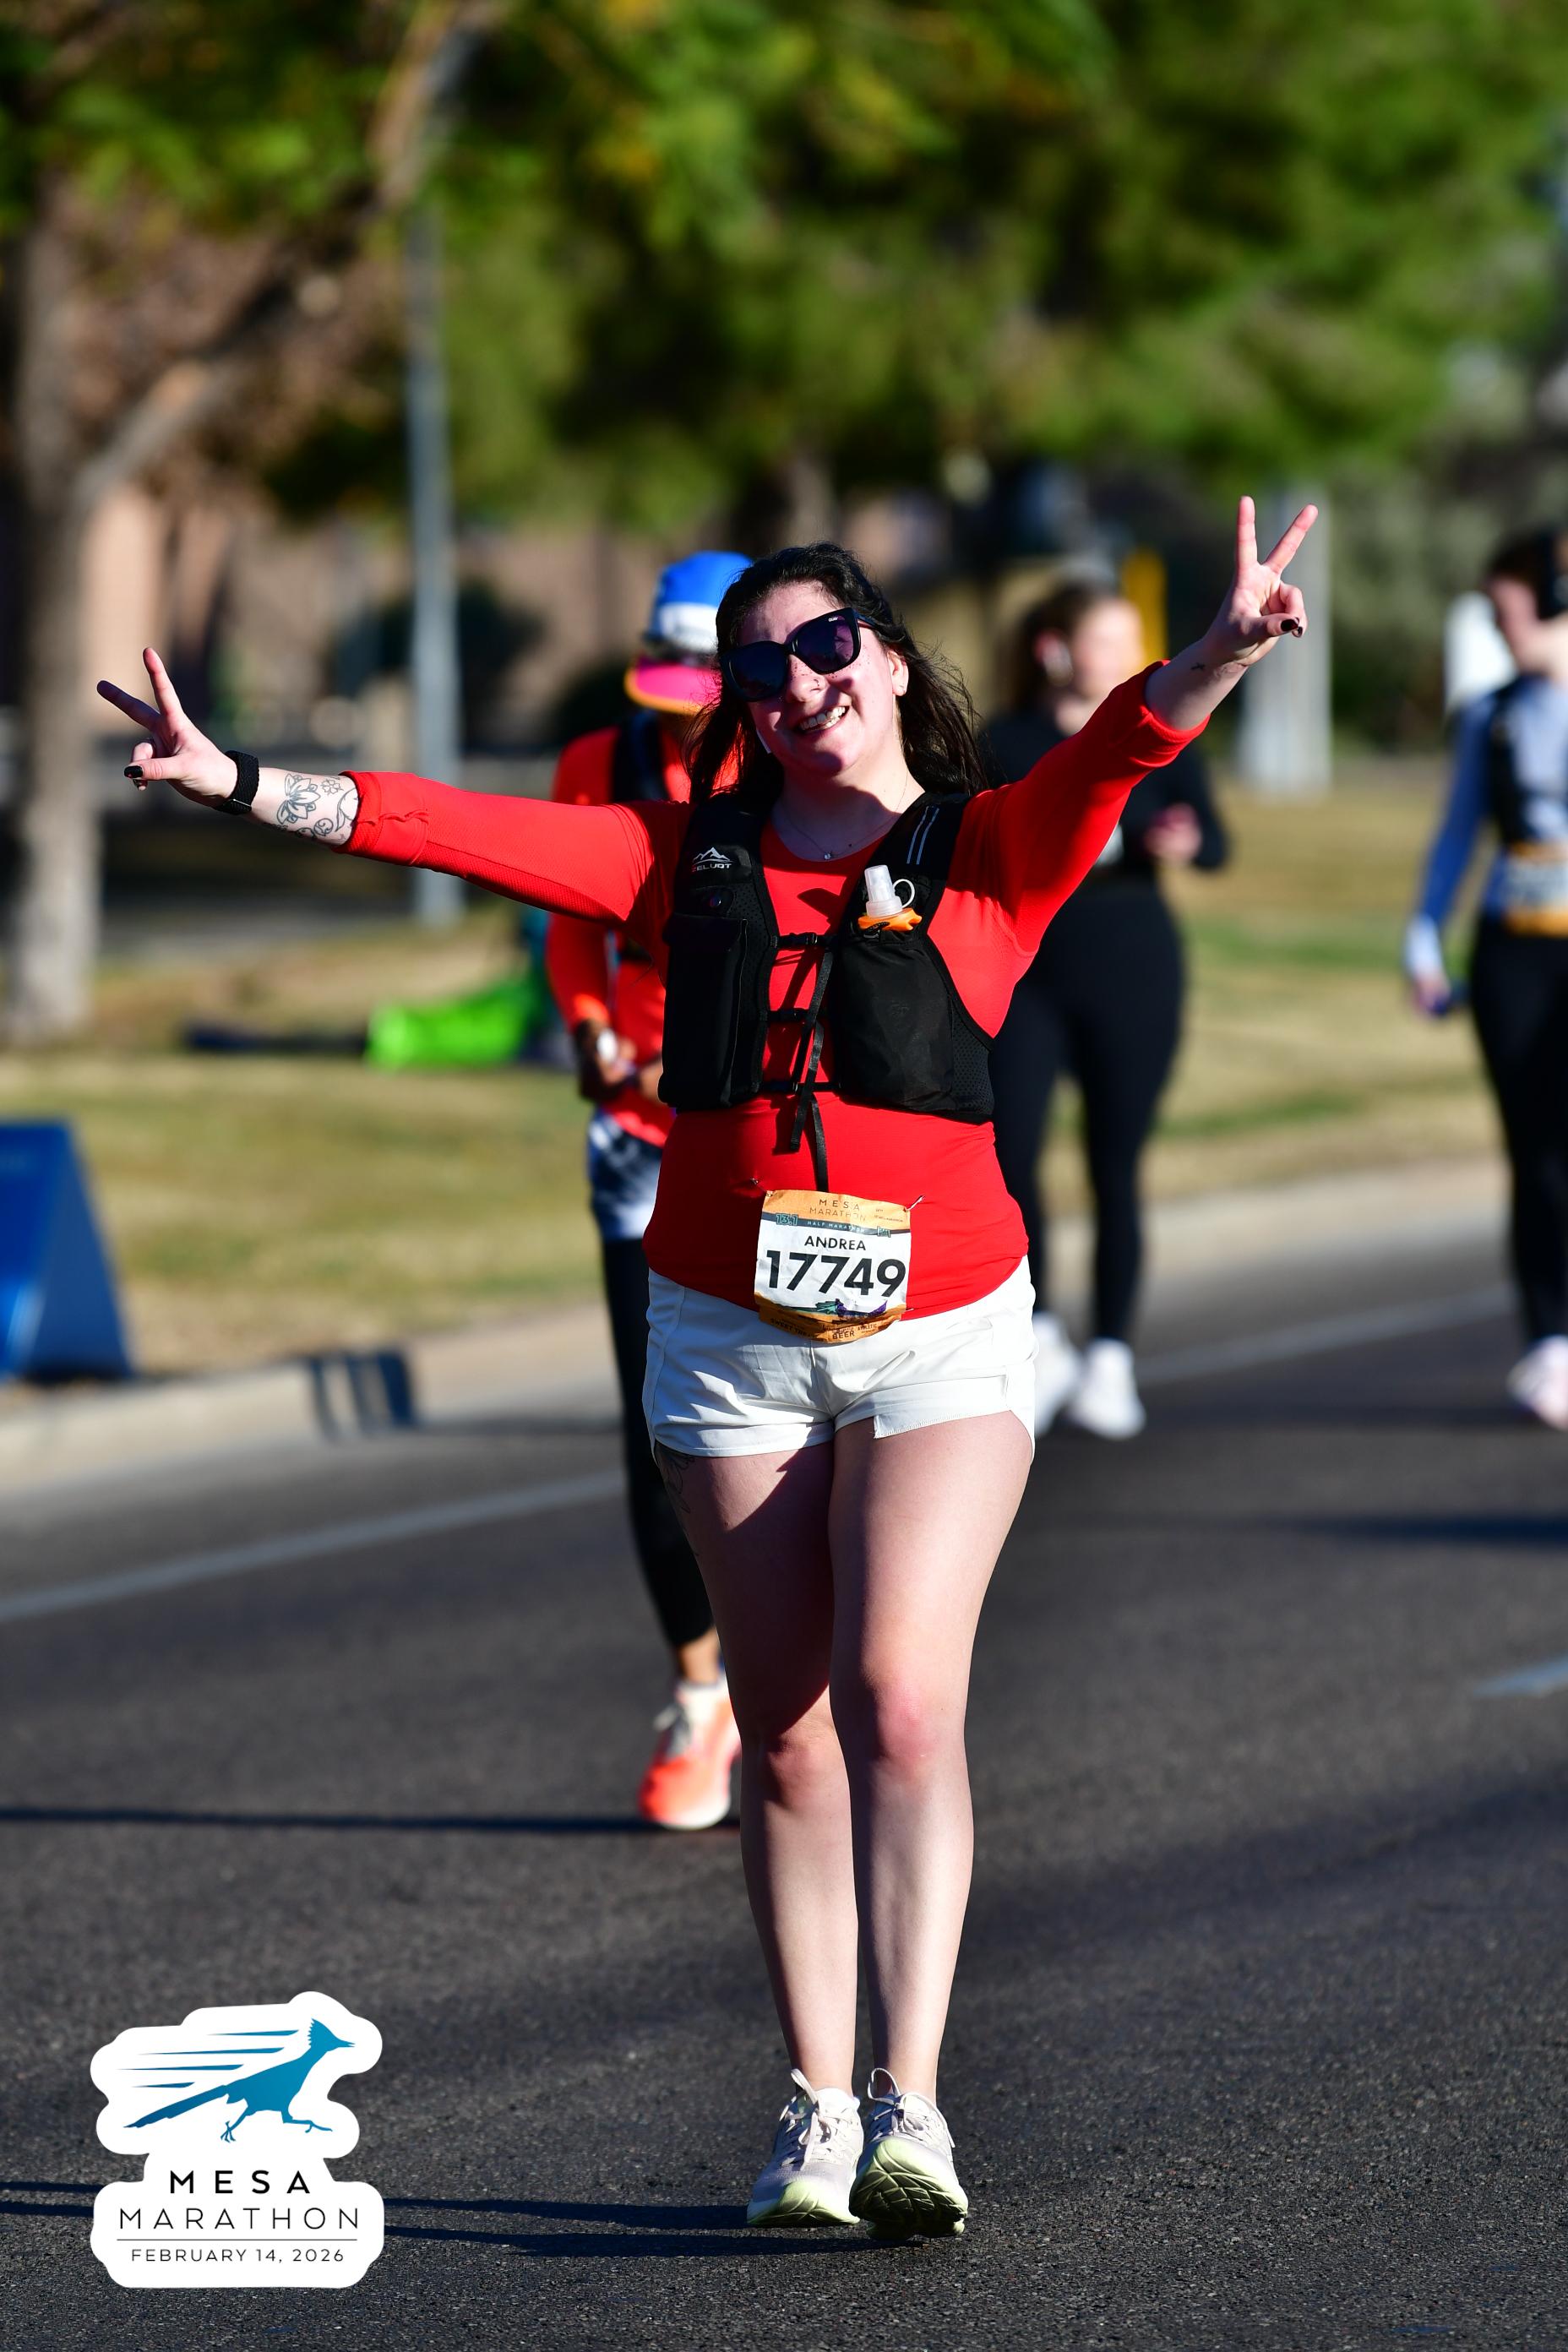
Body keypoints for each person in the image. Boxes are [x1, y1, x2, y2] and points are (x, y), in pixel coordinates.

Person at [100, 493, 1314, 2241]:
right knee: (790, 1734)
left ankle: (911, 2102)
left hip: (941, 1334)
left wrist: (1218, 648)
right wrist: (237, 784)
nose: (801, 683)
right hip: (731, 1341)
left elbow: (1121, 748)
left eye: (827, 644)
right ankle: (814, 2104)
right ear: (734, 701)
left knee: (902, 1699)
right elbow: (455, 830)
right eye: (762, 668)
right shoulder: (685, 858)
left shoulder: (987, 848)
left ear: (884, 655)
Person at [545, 551, 749, 1831]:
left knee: (798, 1416)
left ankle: (807, 1679)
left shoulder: (795, 765)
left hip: (766, 1132)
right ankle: (698, 1691)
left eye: (702, 701)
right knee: (658, 1428)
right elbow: (567, 916)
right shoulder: (599, 761)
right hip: (636, 1131)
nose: (682, 724)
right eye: (668, 698)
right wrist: (582, 1021)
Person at [982, 581, 1230, 1440]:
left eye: (1134, 639)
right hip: (1028, 972)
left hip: (1132, 965)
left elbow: (1215, 842)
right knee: (1010, 1156)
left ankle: (1113, 1357)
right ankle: (1043, 1335)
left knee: (1114, 1163)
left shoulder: (1162, 732)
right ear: (1053, 649)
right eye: (1106, 640)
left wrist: (1186, 840)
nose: (1127, 657)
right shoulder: (1004, 740)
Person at [1407, 527, 1568, 1429]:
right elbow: (1455, 836)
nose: (1499, 628)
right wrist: (1422, 936)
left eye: (1509, 608)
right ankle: (1549, 1337)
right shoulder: (1491, 715)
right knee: (1532, 1146)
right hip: (1514, 949)